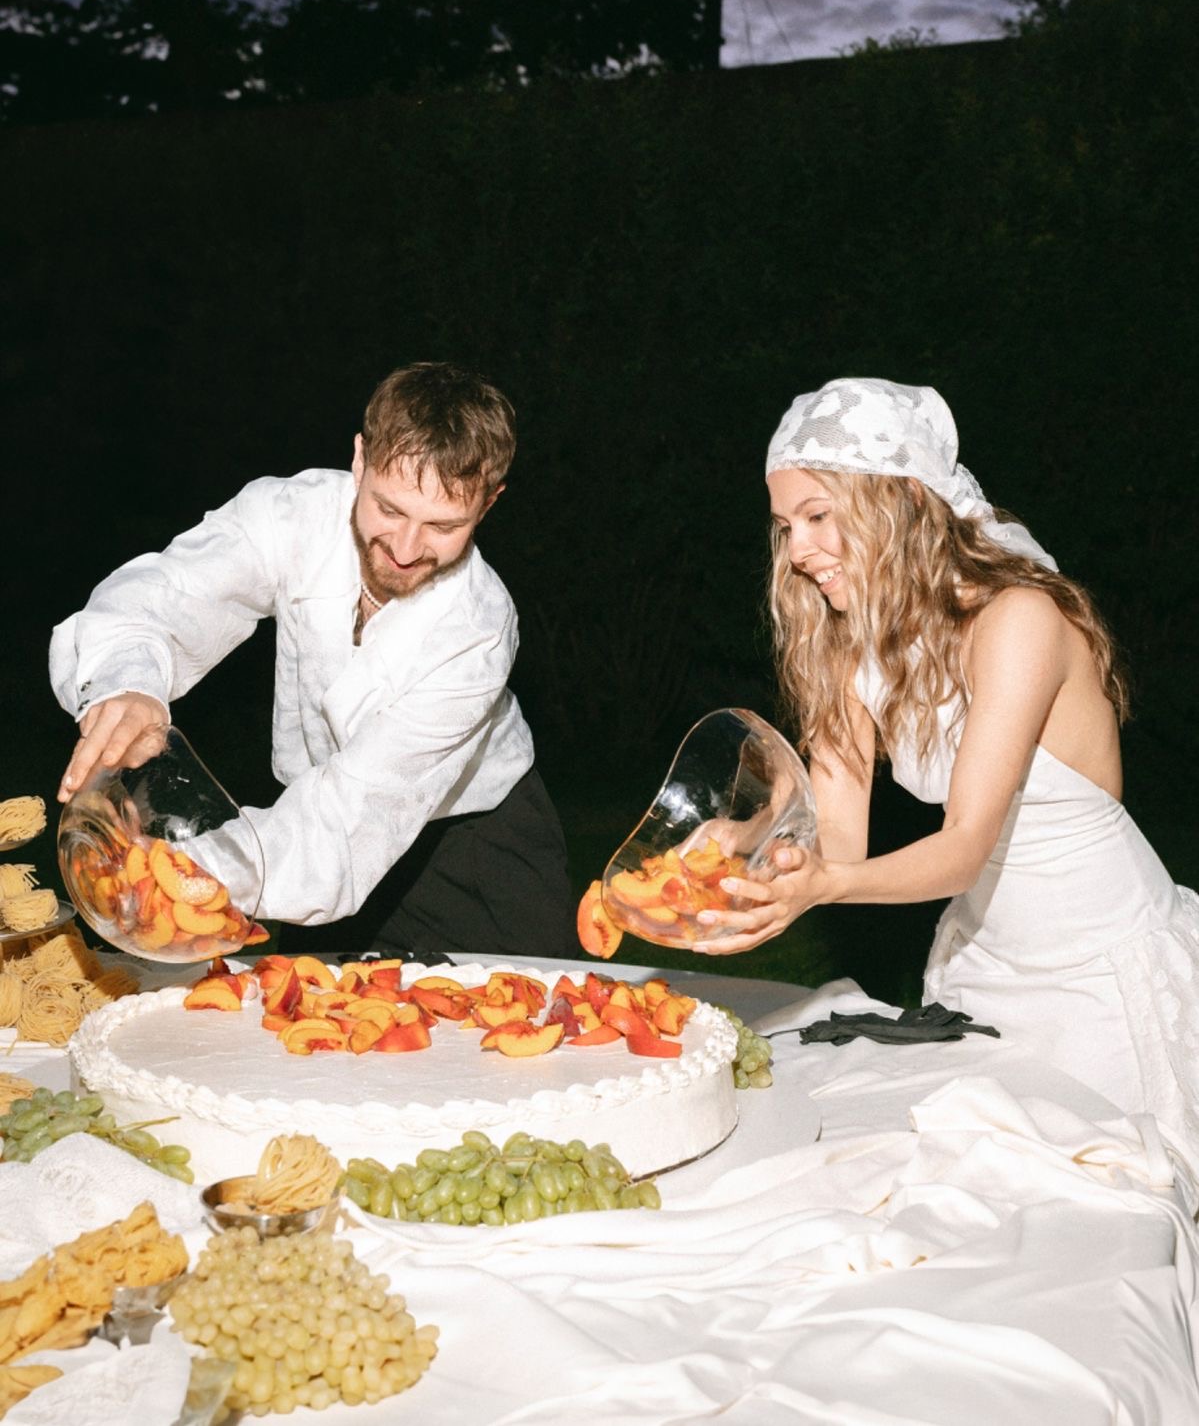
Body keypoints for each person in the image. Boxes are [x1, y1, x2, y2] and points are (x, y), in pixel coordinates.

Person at [697, 376, 1199, 1169]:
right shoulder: (849, 639)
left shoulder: (1017, 619)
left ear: (899, 499)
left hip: (1099, 975)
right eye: (785, 526)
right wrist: (749, 845)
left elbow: (964, 844)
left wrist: (820, 886)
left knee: (1114, 1192)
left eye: (818, 517)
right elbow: (837, 835)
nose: (796, 551)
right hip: (983, 959)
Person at [51, 361, 576, 961]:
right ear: (360, 460)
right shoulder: (288, 515)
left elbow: (351, 821)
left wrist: (175, 868)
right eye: (389, 509)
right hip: (304, 835)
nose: (406, 549)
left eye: (442, 526)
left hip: (473, 852)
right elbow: (167, 594)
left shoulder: (478, 631)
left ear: (488, 503)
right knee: (310, 1016)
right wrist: (127, 683)